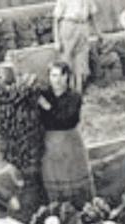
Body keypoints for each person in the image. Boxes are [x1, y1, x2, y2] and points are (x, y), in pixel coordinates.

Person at [38, 61, 94, 205]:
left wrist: (47, 107)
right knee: (55, 180)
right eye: (53, 75)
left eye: (60, 76)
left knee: (74, 180)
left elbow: (66, 119)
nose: (56, 80)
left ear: (67, 77)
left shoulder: (74, 97)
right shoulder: (44, 94)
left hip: (70, 142)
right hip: (50, 144)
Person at [53, 0, 103, 93]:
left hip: (83, 26)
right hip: (69, 25)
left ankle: (78, 91)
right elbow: (56, 20)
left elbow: (92, 16)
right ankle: (67, 91)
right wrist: (57, 40)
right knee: (67, 61)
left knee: (82, 61)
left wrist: (98, 32)